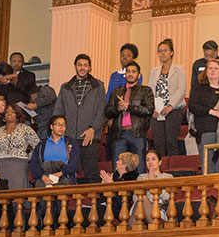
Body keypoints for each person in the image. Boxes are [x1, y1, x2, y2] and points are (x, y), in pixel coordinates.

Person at [53, 54, 107, 183]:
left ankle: (93, 203)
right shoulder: (65, 87)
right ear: (75, 67)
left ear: (89, 67)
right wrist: (60, 134)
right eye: (79, 65)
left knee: (91, 174)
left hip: (89, 137)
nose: (82, 68)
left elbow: (102, 111)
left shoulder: (98, 86)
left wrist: (93, 129)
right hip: (69, 137)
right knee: (67, 173)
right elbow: (58, 112)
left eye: (85, 65)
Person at [105, 61, 154, 174]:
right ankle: (119, 192)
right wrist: (118, 108)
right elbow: (107, 112)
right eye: (128, 72)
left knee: (140, 168)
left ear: (138, 75)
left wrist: (129, 107)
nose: (130, 74)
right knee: (118, 170)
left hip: (136, 134)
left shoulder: (146, 91)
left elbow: (148, 110)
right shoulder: (116, 91)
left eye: (133, 72)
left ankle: (139, 192)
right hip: (119, 134)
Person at [148, 38, 186, 158]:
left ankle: (172, 171)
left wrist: (170, 105)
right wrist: (152, 107)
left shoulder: (179, 69)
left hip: (173, 110)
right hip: (157, 111)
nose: (163, 53)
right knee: (158, 143)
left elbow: (181, 90)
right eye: (160, 51)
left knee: (171, 141)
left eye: (166, 50)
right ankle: (160, 170)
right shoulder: (154, 71)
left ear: (172, 52)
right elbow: (150, 91)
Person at [0, 103, 40, 189]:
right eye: (7, 111)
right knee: (3, 197)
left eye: (12, 112)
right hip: (2, 167)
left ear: (17, 115)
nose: (9, 113)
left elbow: (38, 146)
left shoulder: (25, 129)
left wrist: (28, 156)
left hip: (19, 167)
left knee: (19, 197)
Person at [29, 115, 81, 187]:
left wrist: (60, 173)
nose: (61, 127)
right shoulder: (41, 145)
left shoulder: (71, 142)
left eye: (63, 125)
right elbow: (34, 164)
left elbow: (75, 164)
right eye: (58, 124)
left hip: (65, 178)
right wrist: (43, 177)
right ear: (51, 127)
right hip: (45, 179)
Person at [131, 150, 173, 224]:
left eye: (153, 159)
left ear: (160, 162)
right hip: (139, 209)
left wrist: (153, 184)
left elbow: (167, 197)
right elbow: (135, 198)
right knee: (140, 200)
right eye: (147, 160)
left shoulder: (167, 177)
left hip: (158, 209)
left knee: (143, 198)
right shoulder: (141, 177)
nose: (150, 162)